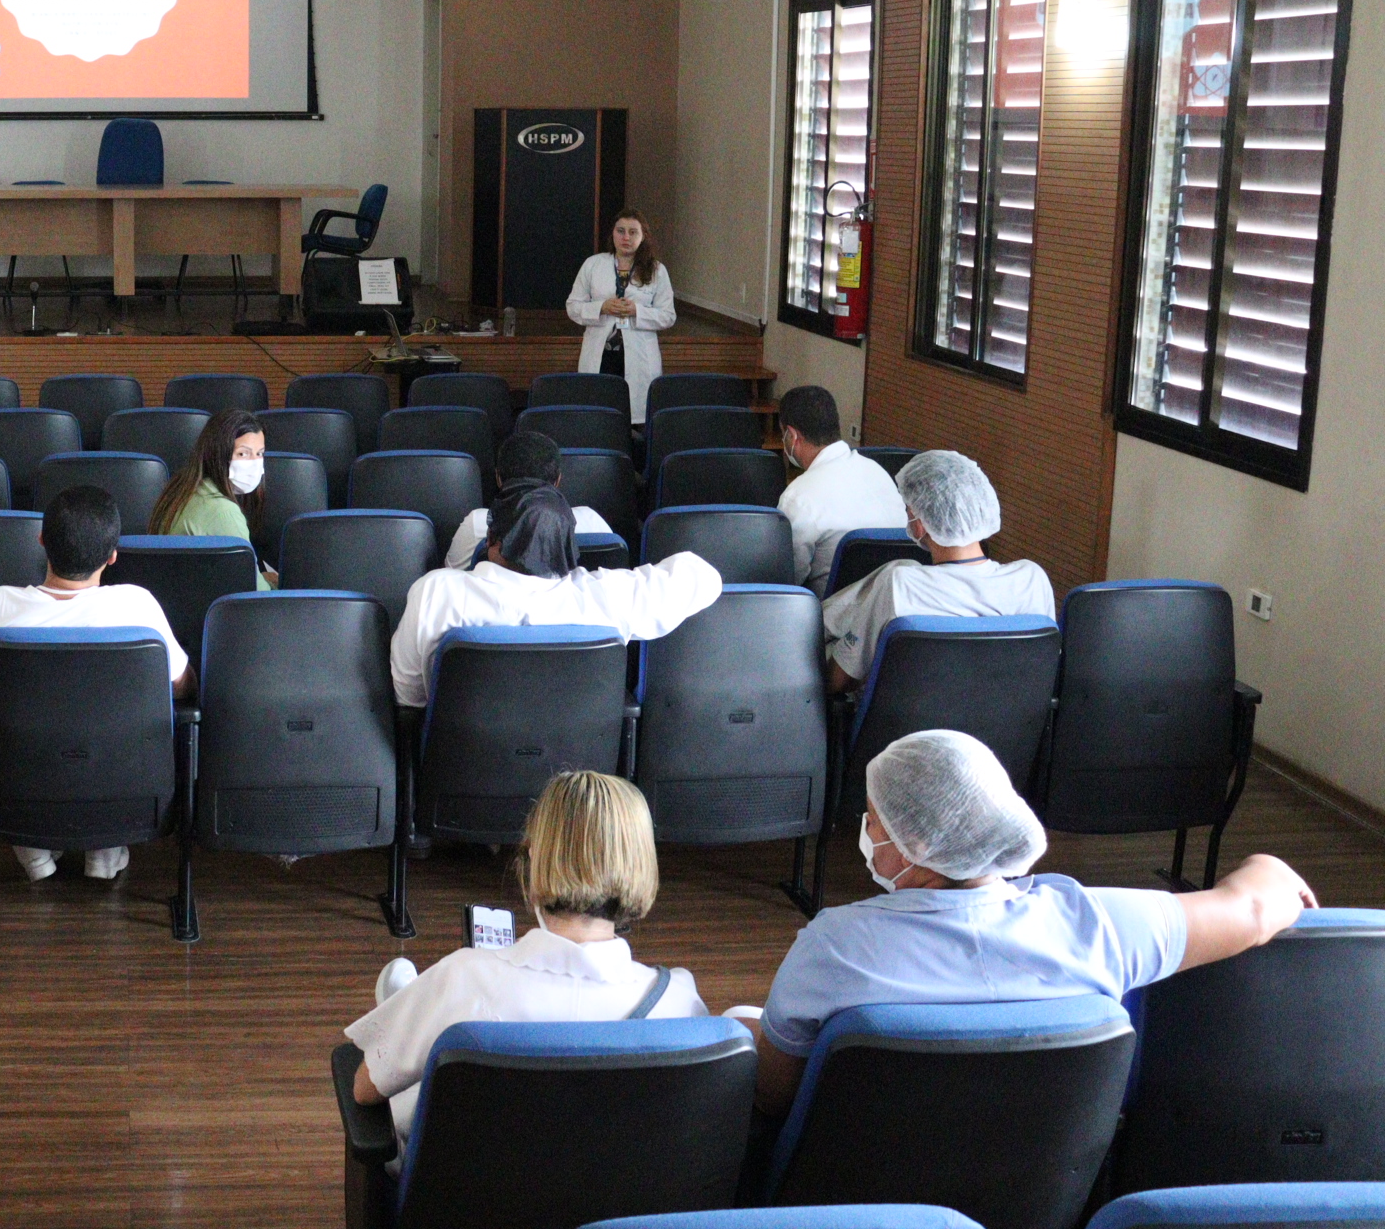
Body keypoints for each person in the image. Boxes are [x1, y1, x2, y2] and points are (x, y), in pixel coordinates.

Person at [747, 729, 1317, 1117]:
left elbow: (777, 1094)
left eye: (874, 821)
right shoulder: (1106, 924)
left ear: (914, 846)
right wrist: (1269, 865)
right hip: (1045, 1197)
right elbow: (1257, 908)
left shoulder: (834, 948)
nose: (866, 831)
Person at [344, 770, 709, 1145]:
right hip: (624, 1200)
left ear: (535, 856)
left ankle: (408, 1007)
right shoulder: (680, 1001)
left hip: (474, 1196)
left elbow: (363, 1089)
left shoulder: (467, 979)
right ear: (643, 862)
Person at [0, 485, 191, 883]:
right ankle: (105, 847)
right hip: (120, 787)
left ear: (42, 541)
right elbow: (182, 687)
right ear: (113, 556)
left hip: (17, 791)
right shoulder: (138, 606)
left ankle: (35, 851)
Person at [391, 484, 721, 709]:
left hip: (461, 774)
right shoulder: (608, 597)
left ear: (491, 539)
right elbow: (704, 577)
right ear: (569, 548)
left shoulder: (435, 593)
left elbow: (409, 700)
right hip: (577, 784)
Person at [820, 449, 1055, 695]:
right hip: (1010, 730)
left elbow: (838, 681)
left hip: (907, 732)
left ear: (919, 523)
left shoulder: (901, 585)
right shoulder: (1032, 580)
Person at [774, 386, 906, 594]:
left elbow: (789, 579)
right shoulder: (878, 471)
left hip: (829, 614)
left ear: (792, 435)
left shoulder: (798, 497)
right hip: (893, 599)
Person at [440, 430, 615, 570]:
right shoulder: (594, 523)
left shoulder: (476, 524)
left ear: (498, 478)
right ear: (558, 480)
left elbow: (452, 581)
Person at [564, 208, 676, 424]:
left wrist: (637, 312)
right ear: (612, 234)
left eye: (633, 232)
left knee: (635, 419)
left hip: (638, 356)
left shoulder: (657, 270)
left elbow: (668, 316)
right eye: (621, 231)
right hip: (601, 354)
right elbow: (573, 307)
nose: (626, 237)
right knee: (598, 416)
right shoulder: (593, 264)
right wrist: (601, 308)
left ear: (643, 236)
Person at [148, 407, 276, 587]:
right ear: (218, 453)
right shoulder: (223, 511)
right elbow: (256, 593)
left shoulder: (182, 488)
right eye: (243, 453)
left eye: (259, 453)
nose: (254, 463)